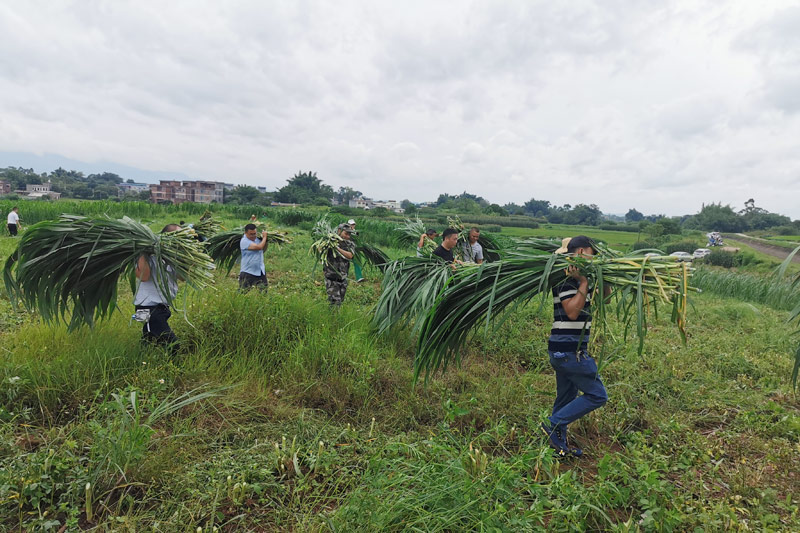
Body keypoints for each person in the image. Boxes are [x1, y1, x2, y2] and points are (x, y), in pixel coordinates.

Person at [540, 236, 609, 458]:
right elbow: (571, 311)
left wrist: (603, 277)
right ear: (580, 252)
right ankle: (553, 424)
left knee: (565, 398)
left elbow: (604, 301)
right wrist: (584, 282)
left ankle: (558, 446)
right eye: (592, 252)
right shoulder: (566, 279)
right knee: (598, 395)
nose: (594, 257)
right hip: (568, 352)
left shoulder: (580, 279)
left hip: (566, 350)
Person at [134, 224, 181, 353]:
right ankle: (175, 369)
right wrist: (144, 251)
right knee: (173, 345)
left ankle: (140, 362)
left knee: (150, 341)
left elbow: (182, 276)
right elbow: (144, 276)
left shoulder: (171, 257)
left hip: (162, 309)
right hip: (148, 309)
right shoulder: (147, 256)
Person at [323, 223, 356, 306]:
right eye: (346, 233)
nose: (348, 236)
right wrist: (329, 245)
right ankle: (333, 318)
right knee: (335, 302)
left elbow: (350, 255)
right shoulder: (329, 241)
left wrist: (337, 248)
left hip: (343, 278)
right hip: (331, 277)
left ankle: (333, 316)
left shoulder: (350, 243)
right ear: (339, 231)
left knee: (340, 300)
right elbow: (320, 249)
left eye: (349, 234)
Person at [239, 223, 269, 291]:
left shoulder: (257, 240)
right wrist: (264, 237)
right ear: (245, 233)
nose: (253, 236)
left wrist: (266, 241)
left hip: (260, 270)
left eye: (254, 233)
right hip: (248, 272)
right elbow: (259, 247)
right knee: (242, 292)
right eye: (251, 234)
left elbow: (262, 249)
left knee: (263, 292)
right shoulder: (244, 241)